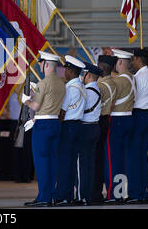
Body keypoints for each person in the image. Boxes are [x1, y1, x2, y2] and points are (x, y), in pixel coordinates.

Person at [22, 51, 65, 207]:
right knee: (52, 161)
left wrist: (26, 101)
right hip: (55, 123)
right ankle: (51, 196)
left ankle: (43, 197)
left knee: (41, 162)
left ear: (46, 65)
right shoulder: (61, 83)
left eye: (41, 63)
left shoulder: (43, 83)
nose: (40, 66)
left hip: (43, 125)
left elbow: (36, 106)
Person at [104, 49, 135, 203]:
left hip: (117, 121)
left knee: (113, 159)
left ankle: (113, 194)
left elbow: (109, 101)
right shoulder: (132, 78)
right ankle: (121, 192)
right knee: (122, 160)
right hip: (129, 119)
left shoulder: (118, 81)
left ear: (120, 62)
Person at [126, 48, 148, 204]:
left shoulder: (137, 77)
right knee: (143, 155)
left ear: (138, 59)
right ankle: (144, 191)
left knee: (133, 156)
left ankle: (135, 193)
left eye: (133, 59)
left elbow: (132, 97)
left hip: (137, 115)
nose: (132, 62)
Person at [55, 55, 86, 206]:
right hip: (78, 125)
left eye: (66, 70)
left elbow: (62, 112)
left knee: (64, 163)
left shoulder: (69, 88)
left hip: (68, 127)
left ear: (70, 71)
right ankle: (70, 195)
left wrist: (58, 125)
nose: (64, 73)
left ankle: (62, 195)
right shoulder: (81, 86)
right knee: (72, 163)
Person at [93, 55, 117, 203]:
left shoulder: (100, 85)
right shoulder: (113, 82)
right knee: (102, 158)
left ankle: (95, 192)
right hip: (107, 119)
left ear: (102, 67)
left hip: (100, 120)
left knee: (96, 159)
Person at [77, 62, 102, 205]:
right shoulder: (96, 89)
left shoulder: (86, 91)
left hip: (85, 128)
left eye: (83, 74)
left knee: (82, 164)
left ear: (89, 75)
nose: (82, 76)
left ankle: (82, 196)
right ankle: (90, 195)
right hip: (95, 127)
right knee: (90, 164)